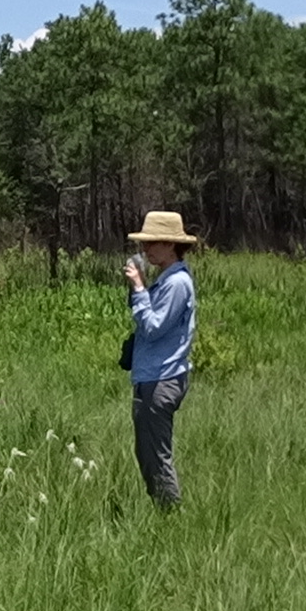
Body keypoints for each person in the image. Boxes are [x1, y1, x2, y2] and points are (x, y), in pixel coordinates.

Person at [121, 210, 201, 510]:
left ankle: (171, 515)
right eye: (145, 243)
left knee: (156, 453)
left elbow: (153, 328)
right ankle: (162, 509)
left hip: (162, 379)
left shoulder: (177, 283)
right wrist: (139, 288)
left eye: (153, 243)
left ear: (171, 245)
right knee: (146, 451)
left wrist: (140, 289)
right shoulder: (166, 280)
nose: (147, 249)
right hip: (150, 377)